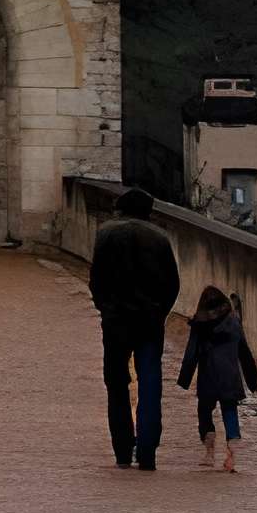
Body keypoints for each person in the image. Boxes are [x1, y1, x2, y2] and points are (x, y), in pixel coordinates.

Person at [88, 184, 181, 469]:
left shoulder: (106, 233)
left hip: (116, 321)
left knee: (116, 383)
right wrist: (159, 312)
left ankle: (122, 448)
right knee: (150, 383)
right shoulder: (159, 238)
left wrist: (105, 308)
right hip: (149, 320)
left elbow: (96, 279)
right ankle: (148, 451)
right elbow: (172, 285)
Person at [178, 284, 257, 472]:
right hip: (230, 376)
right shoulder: (234, 322)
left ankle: (209, 451)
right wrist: (253, 380)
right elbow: (244, 352)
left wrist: (184, 379)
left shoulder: (199, 326)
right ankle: (232, 452)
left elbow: (191, 354)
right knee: (229, 410)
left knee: (204, 411)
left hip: (208, 376)